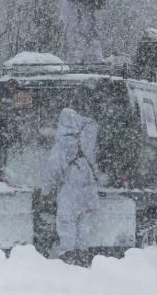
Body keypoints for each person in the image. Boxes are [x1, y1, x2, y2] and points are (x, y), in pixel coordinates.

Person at [41, 107, 100, 259]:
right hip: (88, 189)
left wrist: (46, 191)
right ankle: (83, 253)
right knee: (83, 223)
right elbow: (92, 123)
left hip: (70, 190)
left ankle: (67, 253)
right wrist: (77, 120)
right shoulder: (86, 140)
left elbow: (53, 171)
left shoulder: (61, 146)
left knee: (66, 221)